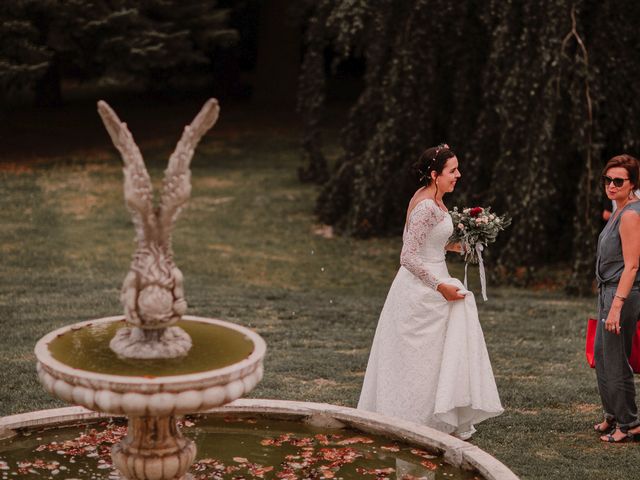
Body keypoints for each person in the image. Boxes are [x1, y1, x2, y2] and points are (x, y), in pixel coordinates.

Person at [357, 144, 503, 440]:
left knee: (433, 357)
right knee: (417, 359)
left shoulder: (432, 199)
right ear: (435, 175)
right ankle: (413, 419)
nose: (458, 175)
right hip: (420, 291)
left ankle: (433, 416)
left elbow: (427, 244)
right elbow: (408, 256)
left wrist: (458, 245)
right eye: (453, 171)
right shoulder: (425, 206)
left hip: (434, 277)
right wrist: (439, 285)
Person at [593, 154, 640, 443]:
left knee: (616, 359)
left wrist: (617, 305)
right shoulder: (620, 209)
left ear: (632, 183)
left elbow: (633, 264)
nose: (611, 185)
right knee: (602, 355)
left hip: (621, 294)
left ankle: (630, 424)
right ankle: (612, 413)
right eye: (607, 180)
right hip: (608, 291)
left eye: (618, 180)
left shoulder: (631, 215)